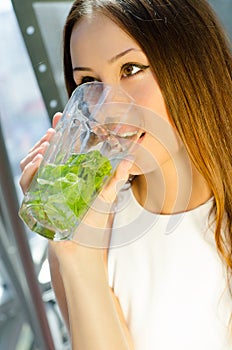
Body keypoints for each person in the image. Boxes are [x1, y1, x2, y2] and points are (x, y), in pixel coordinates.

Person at [19, 0, 232, 349]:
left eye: (130, 69)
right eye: (88, 81)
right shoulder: (90, 232)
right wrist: (75, 252)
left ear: (192, 62)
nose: (107, 109)